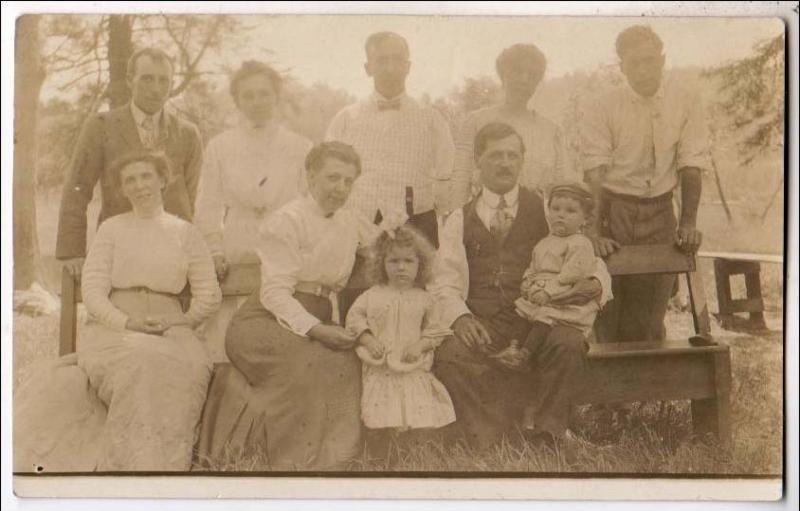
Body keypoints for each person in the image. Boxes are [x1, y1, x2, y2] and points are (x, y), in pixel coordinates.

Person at [14, 151, 221, 472]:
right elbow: (94, 293)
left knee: (182, 365)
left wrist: (178, 320)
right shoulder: (112, 230)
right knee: (140, 361)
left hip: (172, 325)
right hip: (114, 326)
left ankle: (163, 468)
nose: (139, 186)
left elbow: (208, 296)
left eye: (146, 176)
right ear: (123, 189)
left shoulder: (186, 234)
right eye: (130, 180)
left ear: (162, 180)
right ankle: (130, 467)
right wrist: (128, 321)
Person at [197, 142, 383, 471]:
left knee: (346, 365)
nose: (340, 189)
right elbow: (275, 294)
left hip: (318, 322)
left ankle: (336, 463)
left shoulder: (350, 221)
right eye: (332, 178)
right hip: (264, 323)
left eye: (348, 181)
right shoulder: (286, 220)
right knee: (309, 364)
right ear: (310, 176)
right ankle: (293, 467)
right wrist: (317, 329)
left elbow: (384, 242)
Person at [430, 122, 612, 450]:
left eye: (513, 155)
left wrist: (593, 285)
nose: (505, 163)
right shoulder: (458, 218)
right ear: (478, 161)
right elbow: (445, 280)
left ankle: (548, 433)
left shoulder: (547, 209)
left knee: (568, 342)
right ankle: (496, 436)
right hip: (486, 322)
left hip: (538, 319)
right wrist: (460, 317)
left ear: (522, 160)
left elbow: (590, 261)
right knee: (450, 354)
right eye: (496, 155)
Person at [580, 25, 709, 342]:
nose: (642, 70)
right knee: (608, 310)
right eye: (633, 63)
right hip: (613, 211)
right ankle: (611, 390)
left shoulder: (686, 100)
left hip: (661, 212)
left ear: (662, 60)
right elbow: (594, 172)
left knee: (650, 316)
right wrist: (594, 231)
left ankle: (650, 389)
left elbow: (691, 163)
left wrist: (689, 222)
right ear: (621, 66)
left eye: (649, 61)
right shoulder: (602, 105)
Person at [325, 30, 456, 316]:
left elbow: (448, 184)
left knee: (415, 312)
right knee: (357, 314)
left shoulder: (431, 119)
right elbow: (329, 181)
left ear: (408, 66)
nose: (390, 67)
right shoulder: (346, 119)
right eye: (381, 60)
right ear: (367, 67)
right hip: (358, 230)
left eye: (397, 60)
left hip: (415, 227)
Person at [194, 61, 312, 361]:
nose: (257, 102)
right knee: (231, 339)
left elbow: (309, 206)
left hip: (286, 250)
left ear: (276, 97)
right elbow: (208, 205)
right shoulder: (220, 147)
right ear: (237, 101)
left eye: (264, 94)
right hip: (239, 247)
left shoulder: (300, 147)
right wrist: (215, 251)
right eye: (248, 95)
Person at [56, 48, 204, 277]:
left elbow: (196, 199)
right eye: (147, 79)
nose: (156, 89)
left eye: (163, 80)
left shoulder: (187, 134)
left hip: (174, 252)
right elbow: (77, 188)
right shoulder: (101, 126)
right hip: (119, 252)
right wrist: (72, 251)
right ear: (129, 81)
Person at [346, 225, 455, 436]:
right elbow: (354, 317)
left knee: (416, 411)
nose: (401, 268)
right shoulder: (372, 295)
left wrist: (421, 345)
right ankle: (383, 444)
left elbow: (437, 329)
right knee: (380, 411)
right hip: (381, 366)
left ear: (420, 265)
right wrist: (367, 339)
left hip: (410, 364)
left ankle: (415, 443)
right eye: (393, 261)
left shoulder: (425, 298)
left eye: (408, 261)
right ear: (381, 264)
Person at [452, 43, 575, 208]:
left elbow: (562, 185)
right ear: (503, 76)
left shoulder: (551, 130)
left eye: (532, 75)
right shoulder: (476, 121)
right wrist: (456, 219)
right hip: (484, 218)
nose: (524, 79)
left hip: (536, 219)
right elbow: (460, 177)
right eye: (517, 72)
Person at [494, 182, 601, 373]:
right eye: (555, 209)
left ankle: (524, 355)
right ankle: (513, 346)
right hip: (539, 291)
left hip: (562, 297)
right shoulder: (545, 242)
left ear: (584, 219)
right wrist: (527, 282)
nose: (561, 215)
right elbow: (533, 266)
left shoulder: (580, 244)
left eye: (570, 211)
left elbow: (571, 275)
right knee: (522, 311)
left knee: (543, 317)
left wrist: (548, 292)